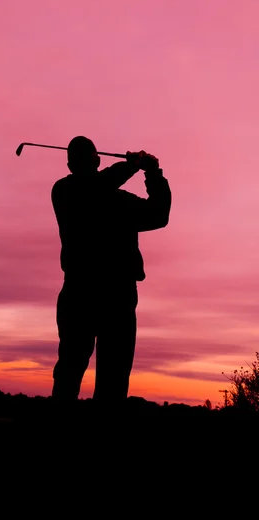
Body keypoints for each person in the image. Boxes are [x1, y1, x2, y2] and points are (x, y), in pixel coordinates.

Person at [50, 135, 171, 403]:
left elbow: (159, 214)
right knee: (76, 373)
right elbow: (96, 186)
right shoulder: (66, 191)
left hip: (107, 296)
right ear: (97, 160)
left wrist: (152, 173)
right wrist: (138, 166)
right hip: (93, 293)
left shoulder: (112, 199)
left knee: (109, 380)